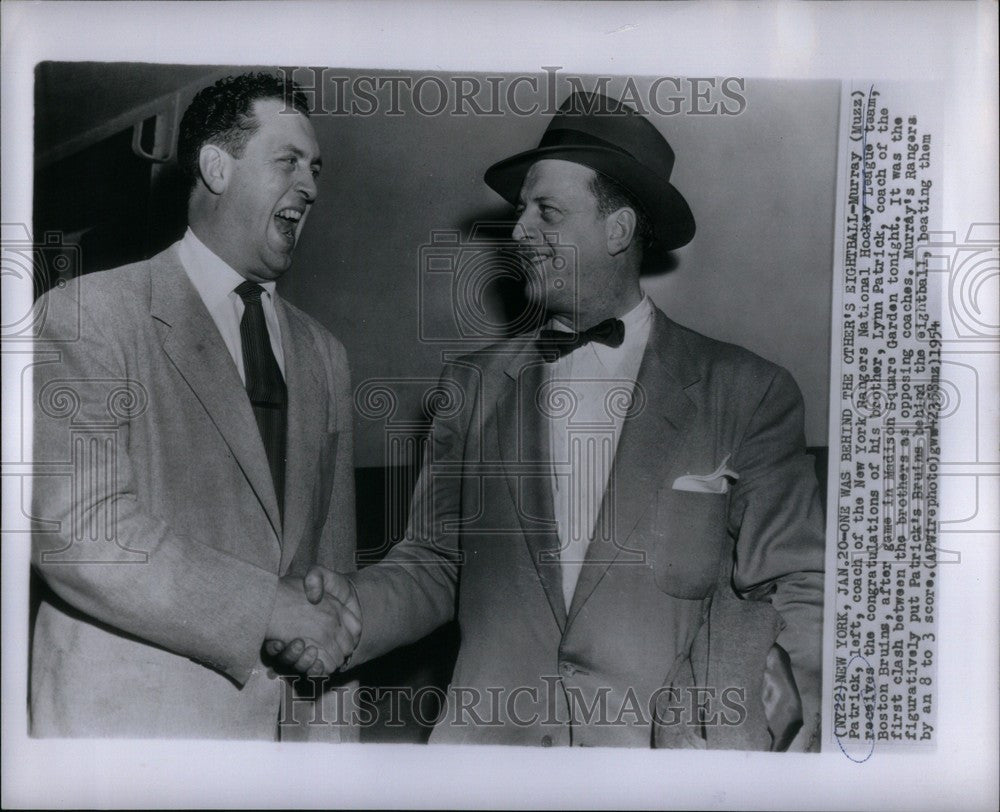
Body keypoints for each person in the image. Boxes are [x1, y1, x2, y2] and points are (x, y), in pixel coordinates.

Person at [278, 92, 825, 750]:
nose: (518, 233)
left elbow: (799, 584)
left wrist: (784, 734)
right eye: (520, 212)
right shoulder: (470, 388)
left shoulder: (746, 392)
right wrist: (350, 613)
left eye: (548, 212)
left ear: (618, 230)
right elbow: (434, 562)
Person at [30, 72, 360, 739]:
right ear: (216, 166)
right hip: (126, 743)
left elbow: (330, 574)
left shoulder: (326, 355)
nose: (313, 187)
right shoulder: (87, 315)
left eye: (316, 169)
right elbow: (81, 531)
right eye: (288, 161)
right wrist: (269, 609)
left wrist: (331, 754)